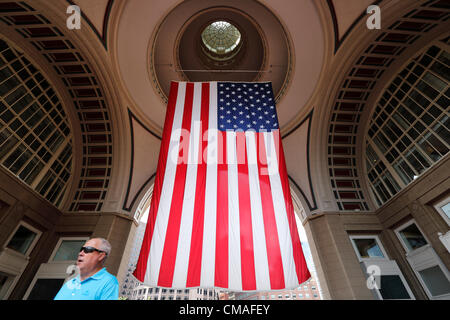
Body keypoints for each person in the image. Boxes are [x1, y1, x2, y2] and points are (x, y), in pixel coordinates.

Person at [54, 237, 119, 300]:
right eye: (81, 249)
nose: (80, 253)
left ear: (101, 256)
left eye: (88, 249)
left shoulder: (109, 282)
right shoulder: (71, 282)